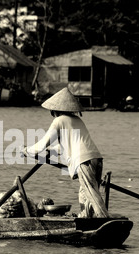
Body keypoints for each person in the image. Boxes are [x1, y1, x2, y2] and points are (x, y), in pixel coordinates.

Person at [21, 87, 112, 219]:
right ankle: (86, 218)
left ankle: (104, 219)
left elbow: (41, 145)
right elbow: (66, 146)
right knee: (84, 193)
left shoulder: (59, 121)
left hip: (84, 161)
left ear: (55, 111)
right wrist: (49, 151)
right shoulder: (77, 120)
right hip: (96, 158)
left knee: (91, 193)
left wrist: (26, 150)